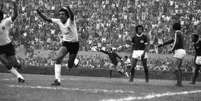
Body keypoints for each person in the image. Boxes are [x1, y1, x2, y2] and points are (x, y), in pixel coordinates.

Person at [37, 6, 79, 86]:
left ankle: (75, 62)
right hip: (66, 43)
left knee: (70, 66)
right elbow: (47, 19)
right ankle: (57, 80)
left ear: (67, 16)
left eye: (63, 14)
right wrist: (39, 13)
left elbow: (72, 16)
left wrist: (69, 9)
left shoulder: (71, 21)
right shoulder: (58, 21)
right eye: (59, 14)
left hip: (75, 44)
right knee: (58, 59)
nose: (61, 16)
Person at [0, 0, 25, 83]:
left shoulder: (6, 21)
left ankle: (17, 63)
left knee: (15, 64)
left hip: (8, 45)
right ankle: (19, 76)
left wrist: (14, 4)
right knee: (7, 63)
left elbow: (15, 15)